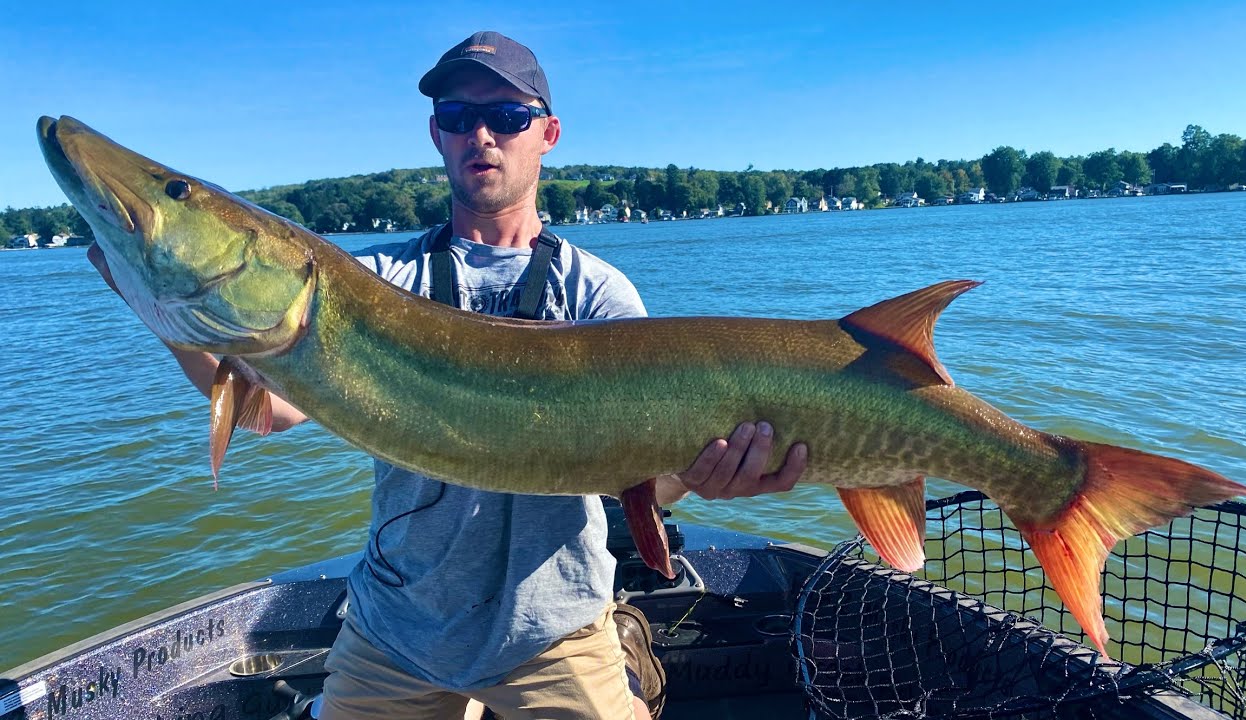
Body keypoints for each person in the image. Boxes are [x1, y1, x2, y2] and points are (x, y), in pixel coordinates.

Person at [89, 30, 808, 720]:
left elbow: (650, 473)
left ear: (547, 134)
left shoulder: (598, 295)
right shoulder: (378, 279)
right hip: (398, 629)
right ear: (437, 134)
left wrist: (716, 471)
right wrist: (164, 314)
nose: (482, 135)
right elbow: (265, 412)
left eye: (506, 115)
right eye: (459, 116)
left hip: (555, 627)